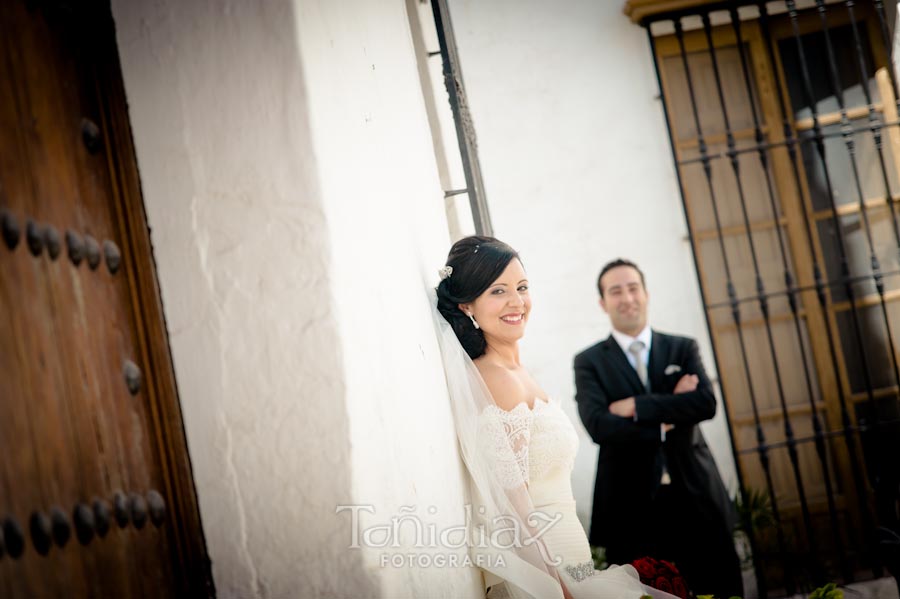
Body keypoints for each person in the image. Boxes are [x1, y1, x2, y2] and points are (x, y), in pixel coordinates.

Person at [433, 237, 678, 599]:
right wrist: (558, 588)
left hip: (575, 559)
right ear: (467, 304)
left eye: (522, 287)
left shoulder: (519, 371)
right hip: (550, 569)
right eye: (498, 291)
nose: (516, 301)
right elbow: (515, 512)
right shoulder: (494, 380)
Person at [573, 258, 743, 598]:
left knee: (720, 587)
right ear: (603, 303)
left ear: (646, 294)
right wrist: (669, 413)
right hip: (630, 504)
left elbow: (704, 404)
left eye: (633, 288)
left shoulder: (683, 347)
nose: (627, 298)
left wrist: (638, 406)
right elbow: (599, 425)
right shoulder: (589, 361)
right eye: (615, 291)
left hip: (696, 494)